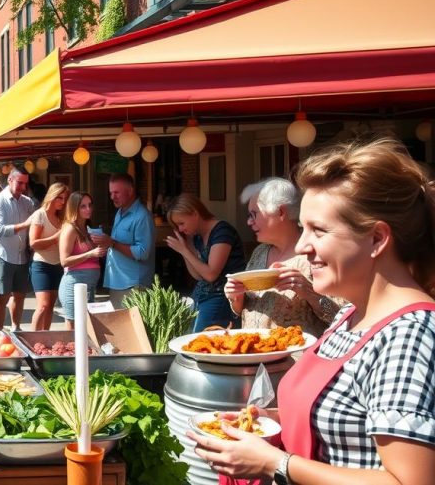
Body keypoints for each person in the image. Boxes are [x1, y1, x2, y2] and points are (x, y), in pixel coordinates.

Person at [191, 137, 435, 485]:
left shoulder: (409, 332)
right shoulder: (351, 314)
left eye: (318, 230)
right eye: (303, 228)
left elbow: (409, 481)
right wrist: (266, 420)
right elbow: (346, 425)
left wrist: (276, 462)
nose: (303, 246)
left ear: (377, 239)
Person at [224, 178, 340, 337]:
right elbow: (244, 308)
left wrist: (308, 292)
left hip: (296, 358)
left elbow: (341, 318)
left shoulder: (315, 255)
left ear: (280, 212)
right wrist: (236, 296)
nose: (249, 222)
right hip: (254, 354)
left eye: (254, 214)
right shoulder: (260, 252)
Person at [166, 193, 245, 331]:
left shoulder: (222, 231)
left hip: (222, 296)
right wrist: (185, 248)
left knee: (199, 339)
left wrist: (184, 251)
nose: (180, 229)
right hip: (202, 294)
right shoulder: (196, 237)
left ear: (195, 213)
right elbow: (198, 275)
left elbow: (211, 274)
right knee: (187, 336)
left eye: (181, 223)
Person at [92, 173, 156, 309]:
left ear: (130, 191)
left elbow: (142, 253)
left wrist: (112, 243)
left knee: (131, 328)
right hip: (118, 281)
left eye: (116, 192)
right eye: (111, 193)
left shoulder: (142, 216)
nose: (112, 197)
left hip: (133, 285)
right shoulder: (120, 212)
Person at [0, 168, 35, 331]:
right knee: (2, 297)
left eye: (25, 184)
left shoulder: (27, 202)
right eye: (19, 183)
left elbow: (34, 227)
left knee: (20, 295)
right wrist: (24, 225)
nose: (22, 187)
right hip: (2, 256)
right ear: (9, 180)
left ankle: (16, 328)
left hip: (22, 256)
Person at [58, 191, 107, 330]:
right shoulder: (70, 228)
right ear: (74, 208)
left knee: (86, 326)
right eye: (83, 206)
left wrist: (100, 248)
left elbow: (93, 256)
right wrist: (90, 254)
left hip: (89, 286)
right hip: (74, 284)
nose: (88, 209)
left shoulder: (87, 228)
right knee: (74, 327)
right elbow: (64, 260)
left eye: (90, 205)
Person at [29, 182, 69, 330]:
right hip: (41, 265)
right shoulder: (40, 215)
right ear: (52, 196)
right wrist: (56, 237)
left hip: (58, 265)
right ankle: (31, 339)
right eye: (60, 198)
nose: (63, 202)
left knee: (50, 306)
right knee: (43, 306)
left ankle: (44, 339)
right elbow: (33, 243)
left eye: (65, 198)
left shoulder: (62, 217)